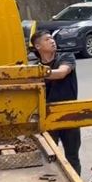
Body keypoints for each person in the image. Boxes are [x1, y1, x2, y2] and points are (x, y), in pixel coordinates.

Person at [31, 30, 81, 174]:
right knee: (50, 156)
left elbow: (61, 73)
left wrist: (40, 73)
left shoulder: (66, 57)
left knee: (72, 157)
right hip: (47, 117)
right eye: (47, 39)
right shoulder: (34, 67)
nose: (52, 41)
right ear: (38, 46)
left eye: (52, 38)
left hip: (69, 115)